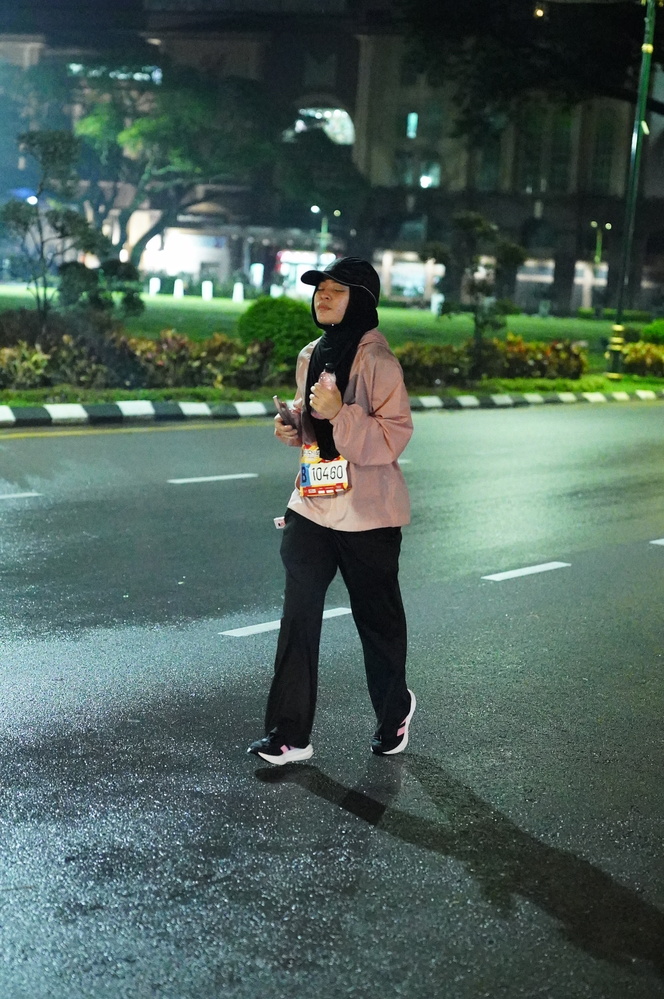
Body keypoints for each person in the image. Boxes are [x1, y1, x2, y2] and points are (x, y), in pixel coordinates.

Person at [247, 257, 415, 765]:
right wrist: (295, 426)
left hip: (368, 516)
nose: (322, 296)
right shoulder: (311, 354)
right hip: (313, 507)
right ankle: (289, 733)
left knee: (377, 623)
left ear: (360, 301)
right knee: (298, 617)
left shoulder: (379, 363)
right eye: (319, 288)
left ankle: (394, 711)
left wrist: (340, 412)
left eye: (336, 290)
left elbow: (392, 437)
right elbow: (316, 430)